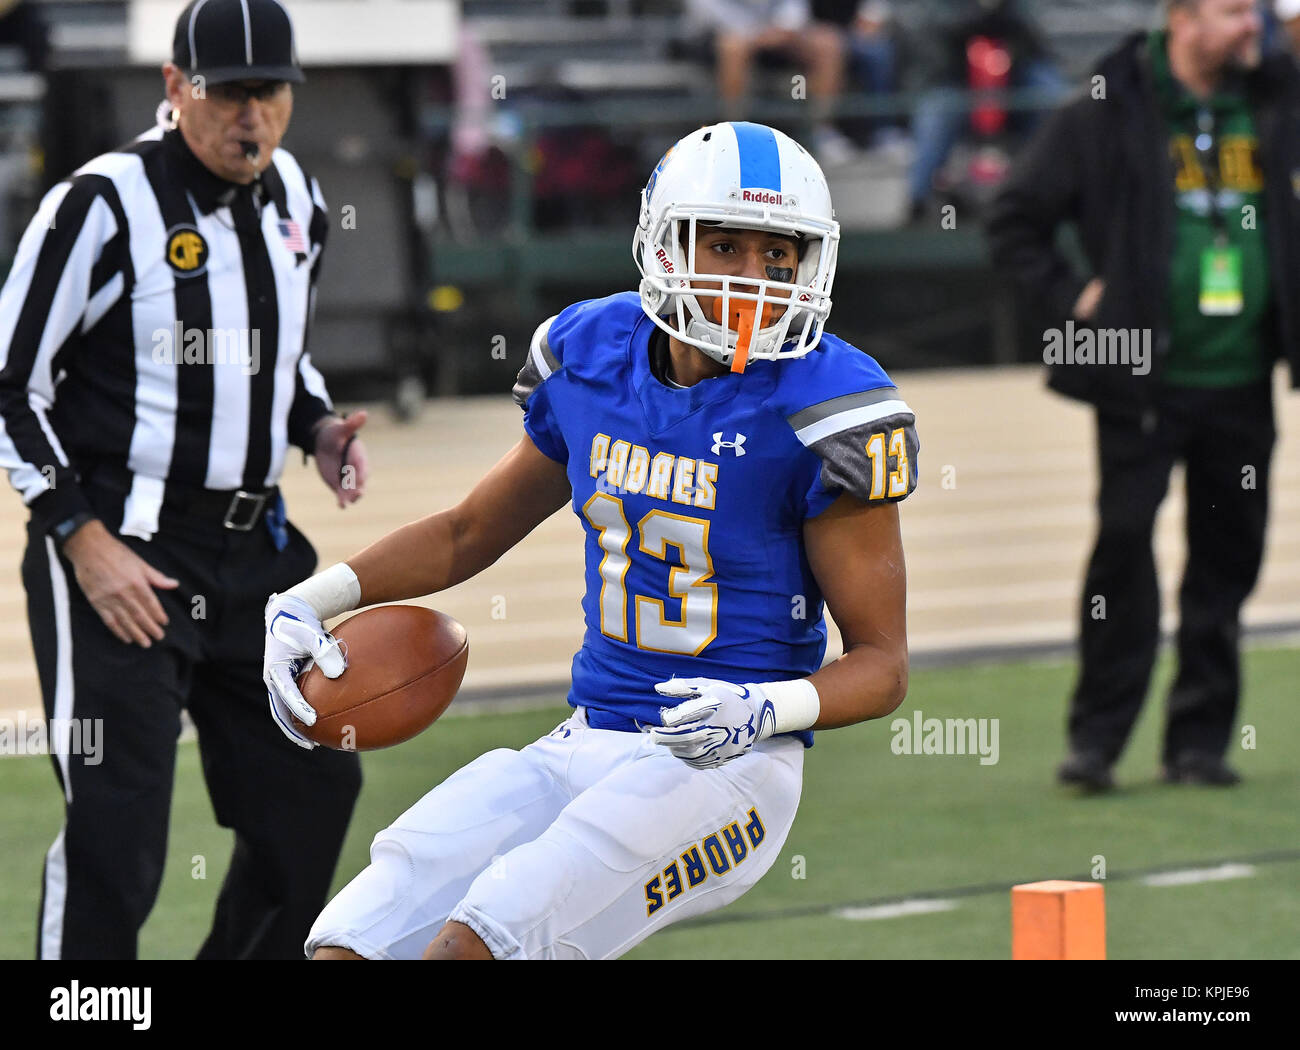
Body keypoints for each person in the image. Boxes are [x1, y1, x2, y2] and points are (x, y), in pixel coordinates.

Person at [263, 121, 919, 960]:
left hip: (727, 766)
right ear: (665, 246)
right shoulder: (594, 355)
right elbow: (468, 534)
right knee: (354, 936)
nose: (758, 278)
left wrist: (766, 707)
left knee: (477, 943)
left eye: (779, 254)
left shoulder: (829, 407)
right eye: (725, 246)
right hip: (586, 737)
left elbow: (883, 665)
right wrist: (312, 600)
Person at [0, 0, 368, 957]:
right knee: (118, 835)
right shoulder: (100, 202)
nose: (253, 116)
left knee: (313, 793)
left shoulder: (300, 197)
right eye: (229, 92)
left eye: (270, 93)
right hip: (122, 550)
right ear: (175, 88)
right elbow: (8, 381)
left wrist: (317, 425)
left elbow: (281, 357)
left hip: (256, 552)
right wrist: (79, 539)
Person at [986, 0, 1300, 791]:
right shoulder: (1110, 101)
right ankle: (1096, 742)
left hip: (1242, 380)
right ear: (1182, 18)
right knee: (1124, 554)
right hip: (1142, 378)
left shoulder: (1273, 95)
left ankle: (1198, 743)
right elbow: (1014, 218)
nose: (1251, 26)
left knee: (1226, 562)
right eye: (1233, 11)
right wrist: (1073, 298)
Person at [686, 0, 857, 164]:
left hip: (776, 34)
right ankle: (733, 137)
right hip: (722, 35)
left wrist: (782, 28)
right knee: (733, 46)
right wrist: (754, 32)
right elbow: (707, 12)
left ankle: (821, 132)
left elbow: (793, 9)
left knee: (828, 43)